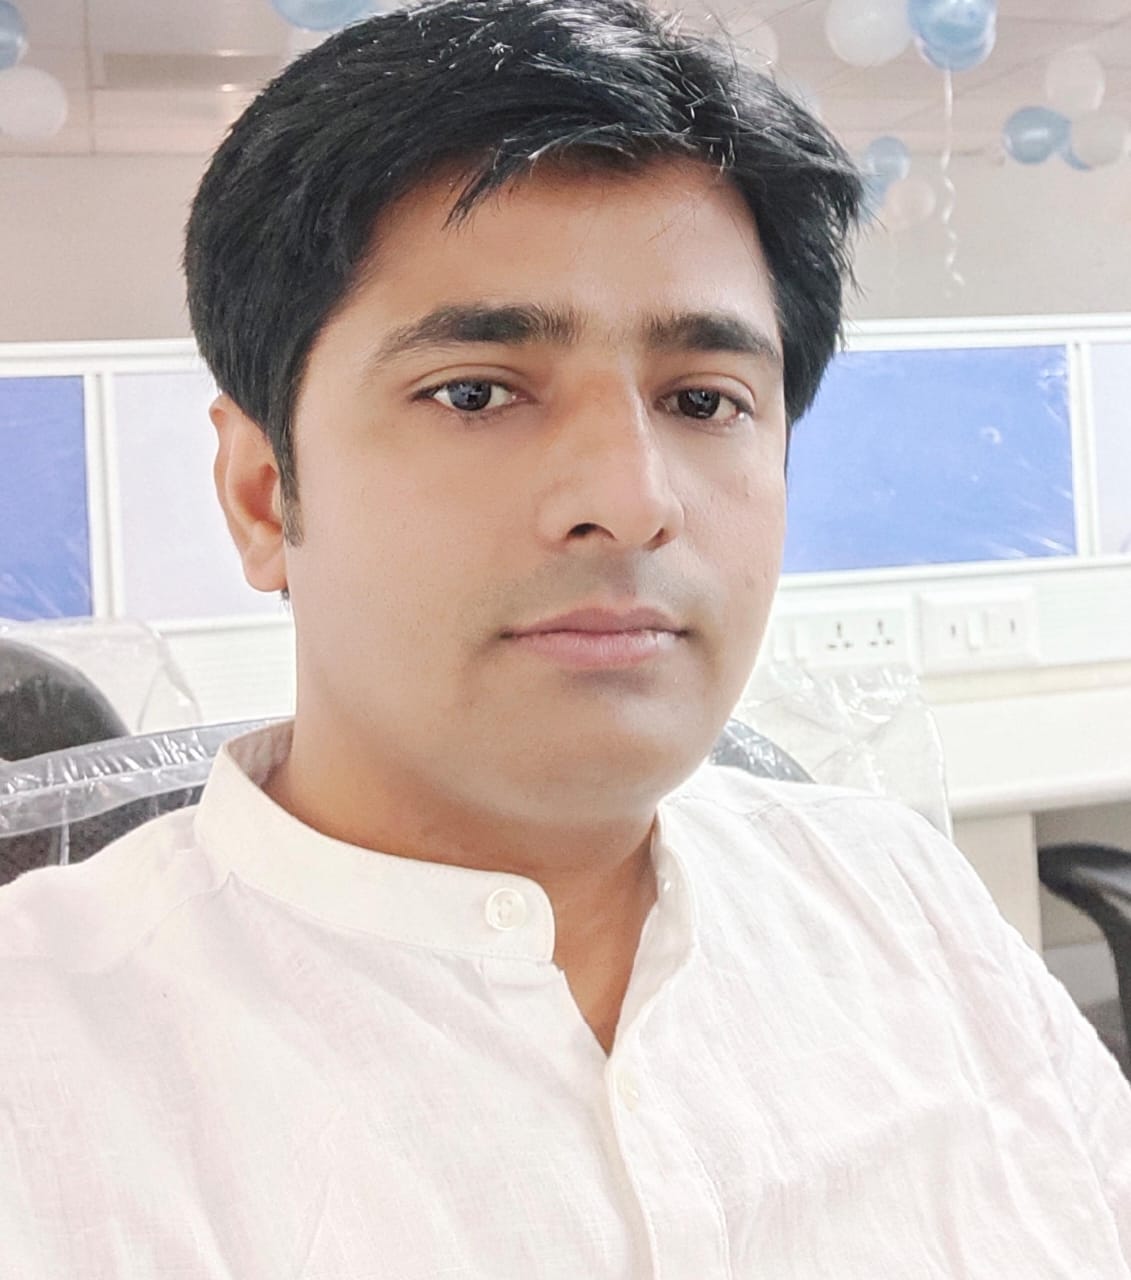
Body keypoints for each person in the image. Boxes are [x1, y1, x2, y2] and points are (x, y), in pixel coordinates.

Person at [2, 0, 1128, 1274]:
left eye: (704, 400)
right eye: (474, 391)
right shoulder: (40, 1073)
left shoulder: (904, 905)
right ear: (265, 494)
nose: (632, 498)